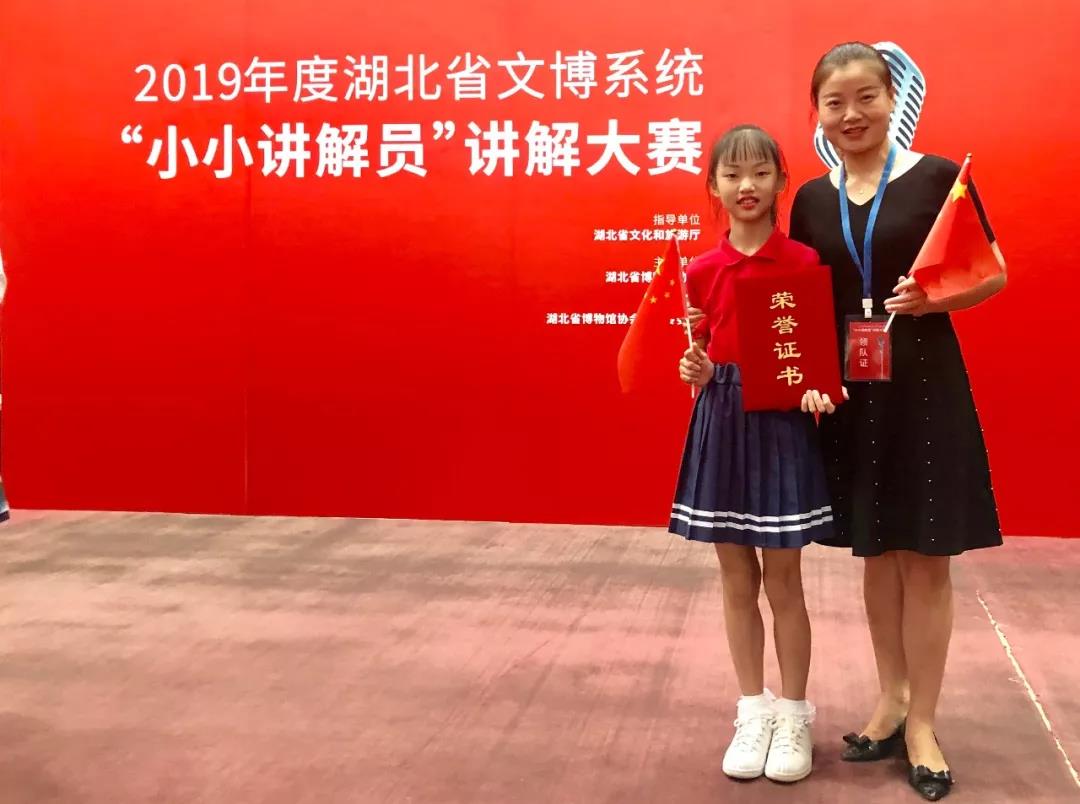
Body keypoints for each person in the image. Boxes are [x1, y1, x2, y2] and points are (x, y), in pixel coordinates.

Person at [791, 42, 1006, 801]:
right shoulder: (810, 200)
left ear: (893, 99)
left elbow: (992, 271)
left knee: (927, 558)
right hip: (852, 398)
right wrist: (806, 378)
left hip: (924, 387)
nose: (851, 114)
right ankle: (891, 698)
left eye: (866, 98)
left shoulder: (940, 178)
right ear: (818, 113)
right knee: (875, 555)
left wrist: (936, 299)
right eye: (834, 103)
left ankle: (924, 725)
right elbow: (801, 301)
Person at [671, 124, 832, 784]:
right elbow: (704, 350)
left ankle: (793, 713)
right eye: (733, 174)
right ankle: (752, 709)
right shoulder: (699, 271)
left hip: (782, 425)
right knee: (736, 578)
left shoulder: (803, 263)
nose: (747, 186)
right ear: (713, 186)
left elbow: (816, 357)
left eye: (761, 173)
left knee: (784, 580)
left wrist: (818, 389)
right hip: (723, 420)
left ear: (780, 182)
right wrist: (697, 369)